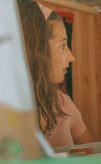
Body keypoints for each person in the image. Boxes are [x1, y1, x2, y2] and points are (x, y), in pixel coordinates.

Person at [18, 0, 93, 147]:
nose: (72, 57)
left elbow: (92, 154)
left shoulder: (63, 103)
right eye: (62, 45)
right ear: (34, 51)